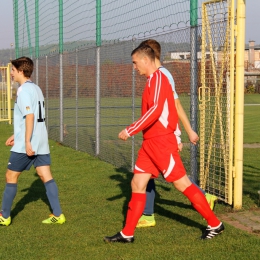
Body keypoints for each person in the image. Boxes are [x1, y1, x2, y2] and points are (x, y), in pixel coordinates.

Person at [104, 44, 224, 243]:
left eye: (135, 63)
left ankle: (215, 224)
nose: (134, 67)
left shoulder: (159, 78)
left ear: (145, 59)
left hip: (161, 143)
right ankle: (127, 233)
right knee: (137, 183)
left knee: (182, 183)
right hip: (150, 143)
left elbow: (157, 111)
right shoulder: (152, 80)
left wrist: (130, 129)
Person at [136, 39, 217, 228]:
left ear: (149, 56)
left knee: (177, 180)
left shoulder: (163, 76)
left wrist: (183, 133)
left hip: (164, 138)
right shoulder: (154, 77)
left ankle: (206, 203)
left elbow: (174, 105)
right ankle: (145, 216)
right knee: (146, 175)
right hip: (156, 138)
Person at [0, 56, 66, 226]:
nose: (11, 74)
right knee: (45, 175)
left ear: (21, 71)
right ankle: (58, 214)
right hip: (41, 140)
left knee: (11, 175)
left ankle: (4, 216)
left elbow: (30, 116)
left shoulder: (23, 90)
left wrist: (26, 141)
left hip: (28, 143)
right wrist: (18, 134)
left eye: (13, 71)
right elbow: (33, 117)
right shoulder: (36, 88)